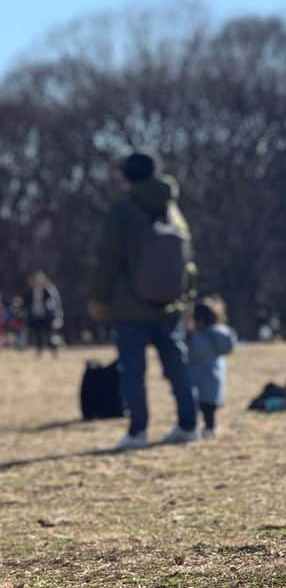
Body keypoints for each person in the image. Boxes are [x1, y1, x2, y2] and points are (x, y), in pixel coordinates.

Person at [89, 152, 199, 450]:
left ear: (126, 177)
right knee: (177, 366)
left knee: (133, 372)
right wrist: (186, 295)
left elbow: (108, 258)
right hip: (170, 303)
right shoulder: (172, 209)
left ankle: (138, 431)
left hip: (130, 303)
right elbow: (187, 259)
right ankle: (189, 423)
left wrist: (100, 298)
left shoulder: (122, 210)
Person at [187, 296, 238, 439]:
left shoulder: (197, 338)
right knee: (210, 410)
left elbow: (194, 352)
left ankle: (195, 428)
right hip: (215, 378)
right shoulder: (220, 335)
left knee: (197, 407)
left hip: (197, 379)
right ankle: (211, 428)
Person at [25, 271, 63, 356]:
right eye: (37, 279)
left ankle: (54, 350)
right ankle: (39, 351)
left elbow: (54, 303)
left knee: (50, 335)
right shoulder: (30, 290)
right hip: (35, 315)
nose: (38, 281)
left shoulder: (48, 290)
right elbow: (26, 302)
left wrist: (54, 314)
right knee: (38, 334)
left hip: (47, 316)